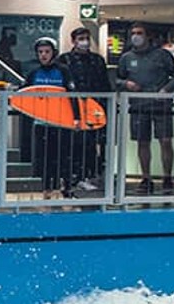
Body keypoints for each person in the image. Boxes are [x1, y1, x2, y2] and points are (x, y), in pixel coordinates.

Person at [118, 22, 174, 195]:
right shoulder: (126, 58)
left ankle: (167, 176)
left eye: (139, 33)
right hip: (138, 106)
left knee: (165, 140)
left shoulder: (162, 55)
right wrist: (126, 84)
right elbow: (117, 79)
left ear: (148, 36)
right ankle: (146, 178)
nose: (136, 36)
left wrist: (166, 90)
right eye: (133, 33)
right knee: (142, 142)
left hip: (161, 104)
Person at [60, 26, 113, 194]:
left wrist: (107, 105)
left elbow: (104, 84)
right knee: (72, 143)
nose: (84, 41)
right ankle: (70, 177)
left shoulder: (97, 60)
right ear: (73, 41)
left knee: (90, 143)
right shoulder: (65, 60)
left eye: (86, 38)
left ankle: (87, 175)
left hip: (94, 107)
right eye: (81, 38)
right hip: (72, 108)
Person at [23, 37, 74, 198]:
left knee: (63, 156)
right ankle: (46, 188)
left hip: (62, 122)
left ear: (54, 53)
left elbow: (73, 95)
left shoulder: (63, 71)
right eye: (40, 52)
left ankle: (66, 186)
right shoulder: (33, 73)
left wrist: (76, 118)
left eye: (47, 52)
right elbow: (24, 93)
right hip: (41, 122)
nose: (43, 55)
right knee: (44, 158)